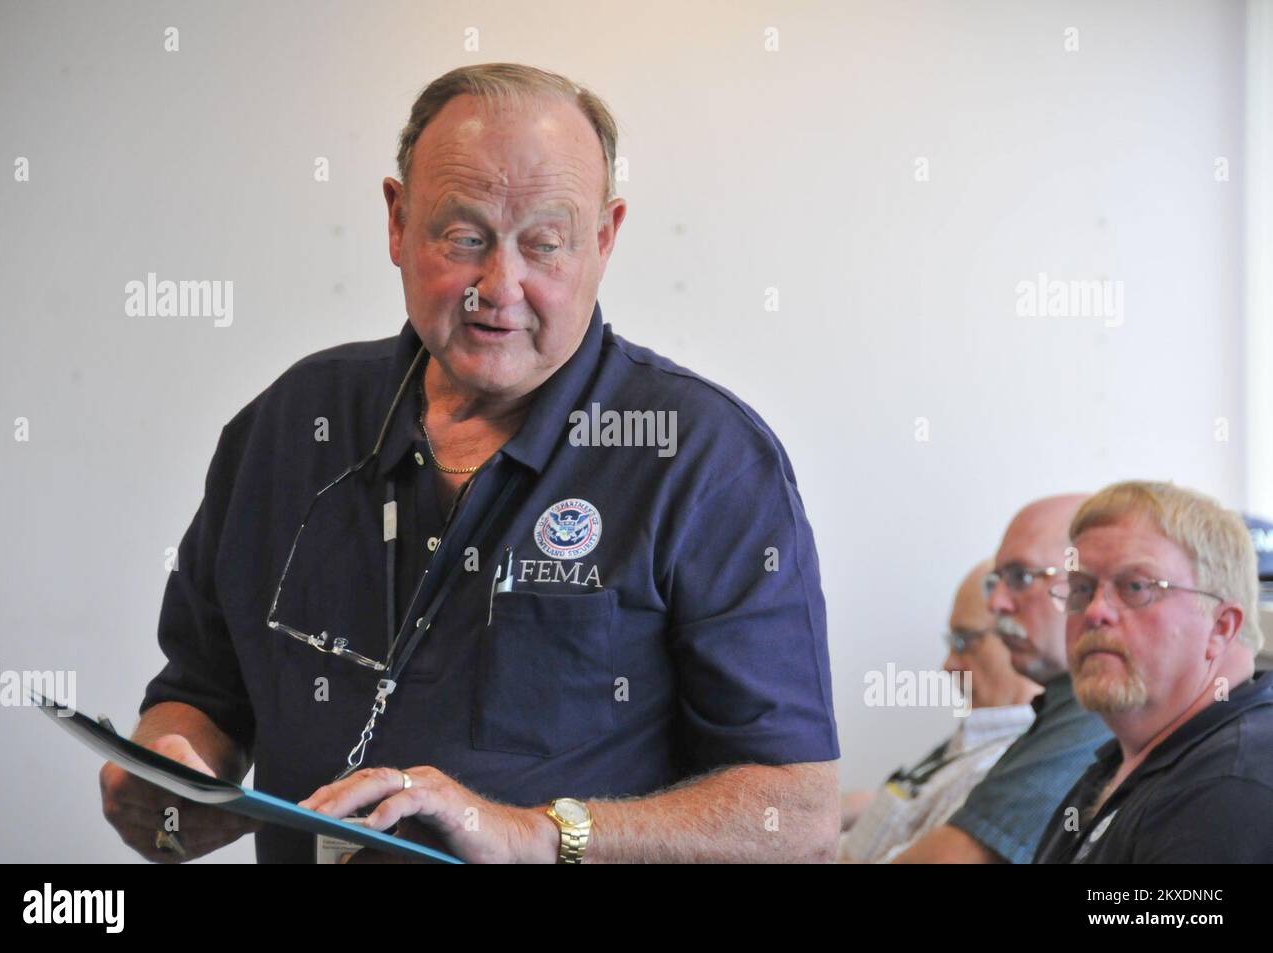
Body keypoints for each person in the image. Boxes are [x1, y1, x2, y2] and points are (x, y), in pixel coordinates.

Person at [98, 62, 841, 864]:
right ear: (396, 220)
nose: (502, 285)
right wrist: (175, 779)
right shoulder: (291, 422)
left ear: (604, 237)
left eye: (545, 244)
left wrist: (534, 836)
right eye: (465, 237)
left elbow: (795, 816)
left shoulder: (706, 459)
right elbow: (201, 698)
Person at [1034, 481, 1273, 863]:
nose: (1095, 612)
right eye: (1081, 588)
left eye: (1135, 586)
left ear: (1220, 627)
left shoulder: (1231, 786)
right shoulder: (1127, 762)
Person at [892, 494, 1112, 863]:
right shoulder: (1062, 701)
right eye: (996, 581)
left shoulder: (1093, 711)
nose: (996, 604)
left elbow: (957, 859)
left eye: (1021, 577)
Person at [839, 560, 1040, 862]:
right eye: (951, 642)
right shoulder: (979, 739)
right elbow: (923, 802)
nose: (948, 665)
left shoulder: (1010, 768)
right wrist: (852, 806)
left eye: (965, 641)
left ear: (1017, 639)